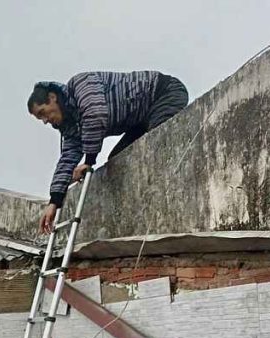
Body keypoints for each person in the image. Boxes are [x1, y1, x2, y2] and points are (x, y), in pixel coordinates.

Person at [28, 71, 189, 233]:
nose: (45, 120)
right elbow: (67, 160)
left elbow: (96, 115)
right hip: (139, 120)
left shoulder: (81, 85)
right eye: (40, 119)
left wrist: (89, 162)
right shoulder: (70, 126)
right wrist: (54, 201)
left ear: (52, 98)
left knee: (158, 144)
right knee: (117, 160)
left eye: (43, 112)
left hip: (163, 94)